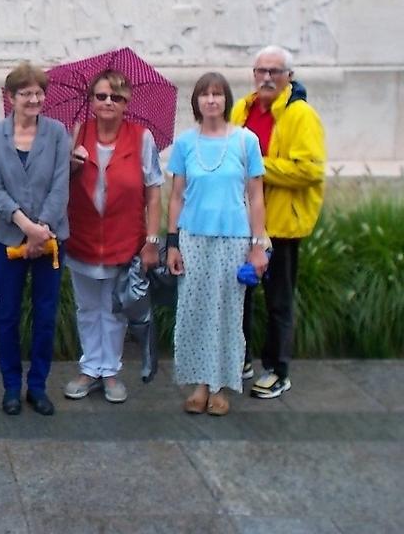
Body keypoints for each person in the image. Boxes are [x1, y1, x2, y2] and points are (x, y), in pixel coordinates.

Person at [166, 72, 268, 417]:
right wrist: (172, 243)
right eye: (204, 95)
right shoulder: (185, 143)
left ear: (227, 100)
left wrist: (257, 245)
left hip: (233, 239)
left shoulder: (245, 141)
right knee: (194, 311)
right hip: (193, 237)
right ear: (196, 101)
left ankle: (221, 384)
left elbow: (255, 196)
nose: (211, 100)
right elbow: (177, 196)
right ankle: (199, 384)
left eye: (217, 94)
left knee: (227, 312)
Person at [63, 70, 163, 405]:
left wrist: (152, 239)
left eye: (116, 97)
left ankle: (110, 371)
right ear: (91, 100)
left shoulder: (142, 137)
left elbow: (153, 192)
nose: (108, 102)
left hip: (124, 238)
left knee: (115, 308)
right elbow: (56, 183)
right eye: (102, 96)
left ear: (127, 103)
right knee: (87, 306)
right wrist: (71, 165)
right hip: (82, 236)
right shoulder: (76, 132)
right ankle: (90, 367)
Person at [232, 46, 325, 399]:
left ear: (289, 75)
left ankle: (277, 369)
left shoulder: (301, 115)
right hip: (243, 221)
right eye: (261, 71)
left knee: (278, 300)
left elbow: (310, 169)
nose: (266, 78)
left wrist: (260, 165)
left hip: (281, 225)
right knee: (240, 294)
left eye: (274, 71)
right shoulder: (242, 107)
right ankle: (239, 357)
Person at [0, 63, 71, 416]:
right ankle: (11, 387)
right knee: (7, 314)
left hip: (50, 240)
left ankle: (38, 386)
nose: (34, 99)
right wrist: (25, 225)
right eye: (26, 93)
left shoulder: (57, 132)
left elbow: (60, 185)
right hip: (7, 238)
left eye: (38, 93)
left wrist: (42, 228)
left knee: (45, 314)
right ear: (11, 97)